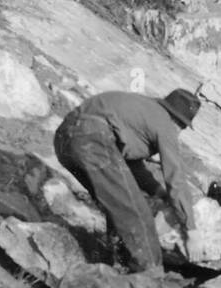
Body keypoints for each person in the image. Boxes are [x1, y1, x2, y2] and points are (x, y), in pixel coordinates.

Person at [53, 88, 200, 274]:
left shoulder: (144, 110)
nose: (180, 130)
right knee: (136, 211)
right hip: (92, 138)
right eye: (183, 125)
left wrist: (157, 191)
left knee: (117, 206)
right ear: (177, 119)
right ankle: (150, 277)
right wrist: (192, 230)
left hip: (65, 139)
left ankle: (112, 265)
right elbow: (175, 177)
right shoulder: (165, 124)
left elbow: (129, 164)